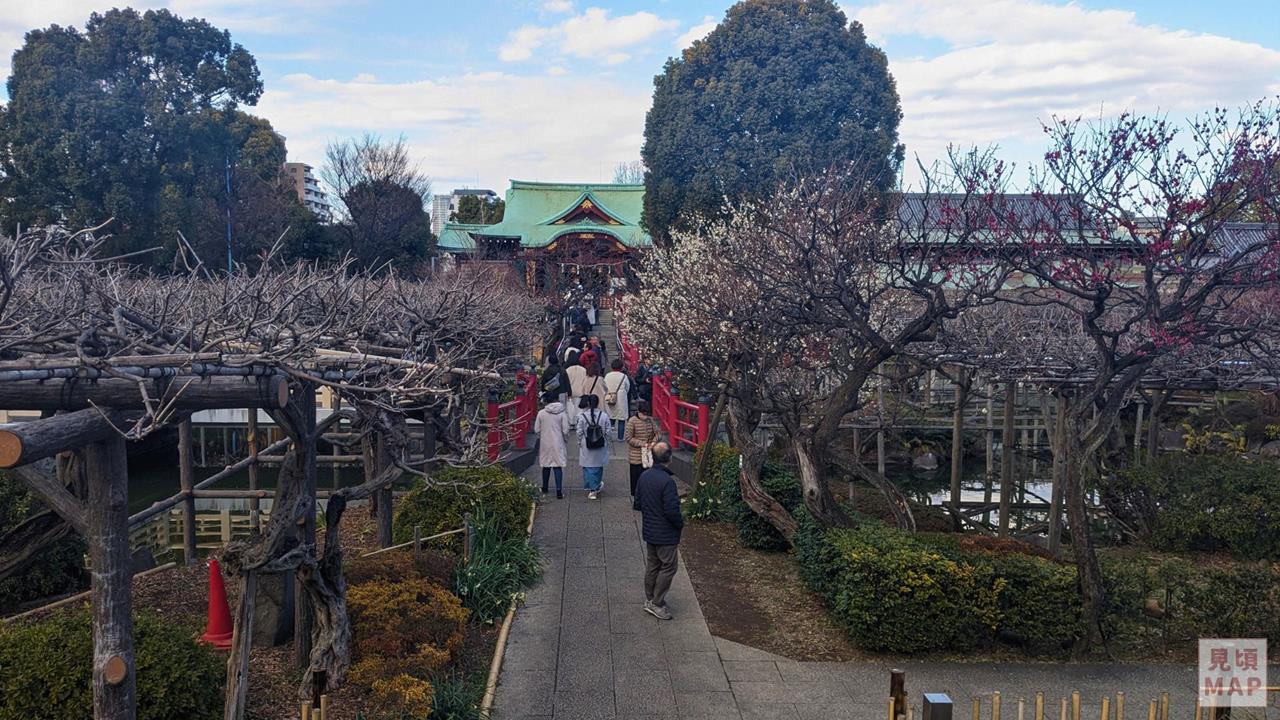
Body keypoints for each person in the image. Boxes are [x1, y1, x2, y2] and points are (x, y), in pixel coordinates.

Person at [633, 442, 682, 620]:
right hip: (665, 532)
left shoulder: (644, 476)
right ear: (669, 458)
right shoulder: (667, 482)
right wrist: (679, 524)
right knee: (669, 566)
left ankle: (650, 597)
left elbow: (637, 503)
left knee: (653, 564)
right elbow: (672, 511)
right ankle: (657, 601)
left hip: (650, 529)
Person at [533, 391, 570, 499]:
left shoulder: (541, 413)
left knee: (546, 465)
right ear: (556, 399)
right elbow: (566, 430)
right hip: (558, 442)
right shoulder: (562, 413)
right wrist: (565, 439)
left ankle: (545, 487)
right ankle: (559, 491)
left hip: (545, 442)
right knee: (557, 465)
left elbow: (536, 429)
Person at [576, 395, 610, 499]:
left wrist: (579, 441)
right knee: (598, 466)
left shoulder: (582, 416)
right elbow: (608, 431)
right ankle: (595, 486)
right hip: (600, 443)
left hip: (586, 443)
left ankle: (591, 487)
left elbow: (579, 431)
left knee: (588, 466)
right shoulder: (604, 415)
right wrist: (607, 441)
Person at [624, 400, 660, 499]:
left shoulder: (650, 421)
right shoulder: (632, 421)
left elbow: (657, 433)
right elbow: (628, 437)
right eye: (643, 413)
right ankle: (636, 498)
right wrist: (642, 444)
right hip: (636, 455)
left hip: (648, 453)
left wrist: (653, 442)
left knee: (647, 477)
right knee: (636, 478)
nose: (645, 416)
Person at [604, 358, 631, 441]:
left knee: (610, 415)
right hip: (621, 398)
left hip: (610, 396)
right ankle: (620, 437)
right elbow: (627, 387)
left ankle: (608, 435)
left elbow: (604, 386)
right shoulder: (624, 376)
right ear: (621, 367)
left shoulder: (607, 375)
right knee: (621, 418)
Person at [564, 357, 586, 429]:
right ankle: (578, 422)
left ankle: (571, 422)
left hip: (570, 392)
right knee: (579, 408)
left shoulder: (568, 370)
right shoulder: (583, 370)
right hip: (580, 391)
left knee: (570, 408)